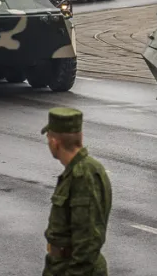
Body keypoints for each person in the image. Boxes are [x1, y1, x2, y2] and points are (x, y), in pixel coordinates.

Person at [42, 107, 112, 276]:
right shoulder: (76, 171)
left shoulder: (83, 176)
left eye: (48, 138)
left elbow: (87, 243)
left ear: (54, 142)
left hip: (72, 269)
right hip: (61, 266)